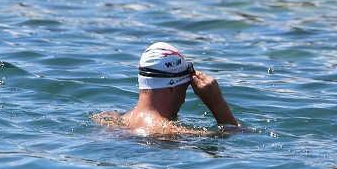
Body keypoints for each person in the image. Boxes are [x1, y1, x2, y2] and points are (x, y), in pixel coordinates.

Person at [95, 42, 239, 136]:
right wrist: (217, 103)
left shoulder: (111, 121)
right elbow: (237, 136)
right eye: (186, 84)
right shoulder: (171, 133)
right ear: (173, 87)